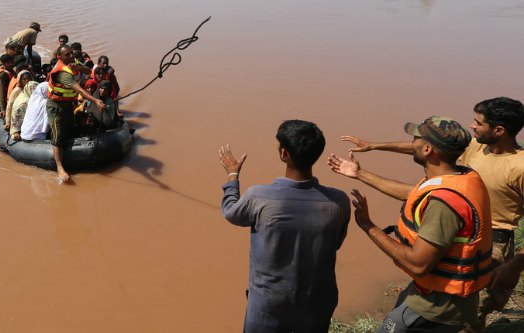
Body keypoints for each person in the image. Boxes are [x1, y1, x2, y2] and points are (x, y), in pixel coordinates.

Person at [337, 97, 524, 331]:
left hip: (488, 244)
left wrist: (517, 262)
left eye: (479, 123)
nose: (473, 126)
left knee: (471, 317)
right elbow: (427, 155)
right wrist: (374, 147)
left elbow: (417, 264)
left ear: (499, 130)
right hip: (453, 240)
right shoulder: (472, 154)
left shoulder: (518, 167)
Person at [219, 120, 350, 333]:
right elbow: (335, 244)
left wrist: (232, 177)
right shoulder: (338, 202)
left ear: (284, 153)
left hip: (268, 304)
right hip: (317, 301)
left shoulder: (259, 197)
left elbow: (230, 212)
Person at [47, 44, 105, 182]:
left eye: (71, 53)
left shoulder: (72, 63)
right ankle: (60, 168)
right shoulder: (62, 73)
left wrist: (79, 67)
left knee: (69, 128)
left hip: (68, 104)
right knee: (58, 136)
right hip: (56, 106)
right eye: (67, 55)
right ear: (59, 57)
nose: (71, 56)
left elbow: (89, 70)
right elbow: (79, 89)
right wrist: (95, 101)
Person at [0, 54, 15, 120]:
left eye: (11, 62)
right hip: (6, 98)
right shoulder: (3, 75)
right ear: (4, 63)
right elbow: (1, 92)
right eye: (9, 62)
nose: (12, 64)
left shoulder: (9, 69)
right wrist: (3, 109)